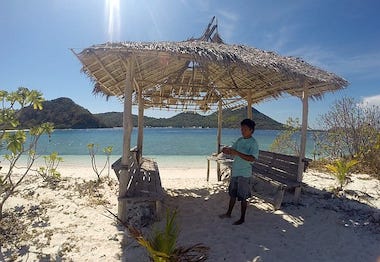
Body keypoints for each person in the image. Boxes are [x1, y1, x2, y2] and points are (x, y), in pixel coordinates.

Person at [219, 118, 259, 225]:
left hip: (244, 174)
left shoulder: (253, 143)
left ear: (251, 130)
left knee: (243, 197)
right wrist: (226, 150)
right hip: (236, 171)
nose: (242, 131)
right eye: (241, 129)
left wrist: (237, 153)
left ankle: (242, 218)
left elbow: (252, 158)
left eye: (245, 129)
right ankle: (228, 213)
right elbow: (233, 151)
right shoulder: (240, 140)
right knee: (232, 194)